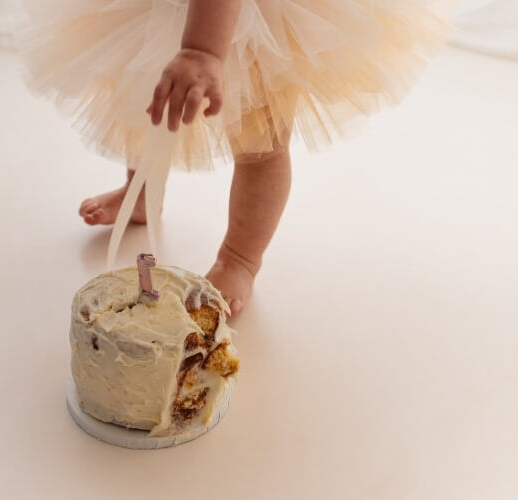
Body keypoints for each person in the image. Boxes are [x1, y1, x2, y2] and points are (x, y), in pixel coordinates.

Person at [22, 0, 453, 315]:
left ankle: (240, 257)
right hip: (159, 10)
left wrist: (202, 50)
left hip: (252, 17)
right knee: (149, 100)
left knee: (259, 142)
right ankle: (141, 193)